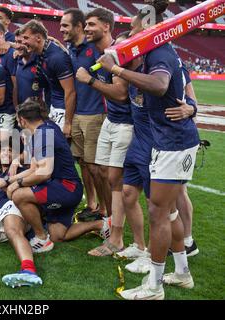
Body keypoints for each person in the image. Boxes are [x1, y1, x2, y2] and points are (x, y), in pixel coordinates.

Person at [97, 0, 199, 300]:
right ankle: (181, 273)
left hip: (173, 142)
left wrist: (116, 68)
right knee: (166, 213)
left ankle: (154, 287)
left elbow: (158, 84)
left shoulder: (160, 51)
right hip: (167, 139)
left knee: (158, 213)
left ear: (148, 28)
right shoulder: (155, 52)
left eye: (133, 29)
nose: (130, 35)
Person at [0, 100, 83, 288]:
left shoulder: (41, 136)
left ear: (22, 120)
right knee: (58, 234)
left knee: (19, 196)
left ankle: (41, 238)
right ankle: (100, 224)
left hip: (65, 188)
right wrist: (9, 181)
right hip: (69, 187)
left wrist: (16, 184)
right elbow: (35, 167)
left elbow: (44, 173)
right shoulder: (47, 127)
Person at [76, 29, 134, 257]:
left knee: (122, 184)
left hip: (128, 125)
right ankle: (111, 222)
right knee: (101, 172)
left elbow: (120, 94)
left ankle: (119, 236)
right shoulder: (105, 59)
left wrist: (89, 80)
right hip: (112, 120)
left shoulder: (124, 66)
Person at [60, 8, 107, 222]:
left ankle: (105, 210)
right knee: (83, 163)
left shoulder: (95, 48)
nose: (62, 29)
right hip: (78, 113)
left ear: (78, 27)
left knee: (96, 167)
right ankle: (92, 204)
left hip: (96, 113)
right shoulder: (72, 49)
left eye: (65, 25)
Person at [21, 20, 76, 138]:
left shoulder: (57, 57)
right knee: (48, 146)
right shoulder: (38, 53)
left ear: (38, 38)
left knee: (57, 147)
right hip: (53, 107)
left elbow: (70, 91)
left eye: (26, 38)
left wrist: (67, 123)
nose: (23, 42)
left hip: (63, 109)